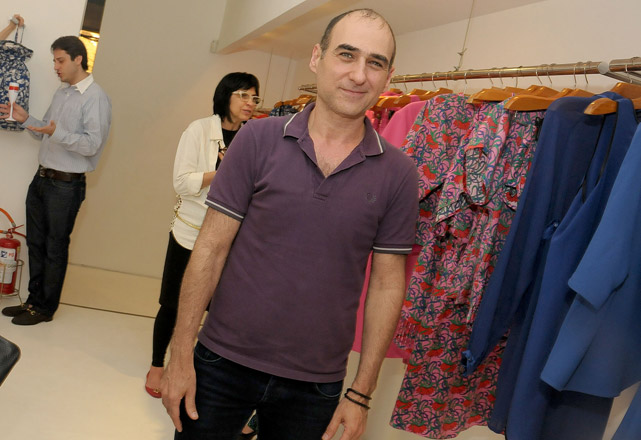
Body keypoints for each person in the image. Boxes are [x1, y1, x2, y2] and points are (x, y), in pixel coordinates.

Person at [161, 8, 418, 440]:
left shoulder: (399, 173)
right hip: (221, 362)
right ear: (317, 57)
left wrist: (361, 393)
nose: (359, 74)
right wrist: (180, 353)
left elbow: (387, 285)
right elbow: (211, 247)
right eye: (347, 54)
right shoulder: (257, 140)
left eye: (375, 62)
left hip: (316, 385)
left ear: (388, 76)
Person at [145, 72, 261, 398]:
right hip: (190, 230)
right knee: (172, 303)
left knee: (216, 309)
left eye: (254, 98)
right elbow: (182, 182)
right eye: (243, 95)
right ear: (226, 96)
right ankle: (157, 364)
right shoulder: (198, 130)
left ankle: (194, 367)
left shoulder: (253, 137)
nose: (250, 103)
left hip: (228, 237)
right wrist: (220, 172)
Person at [0, 36, 112, 325]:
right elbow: (44, 131)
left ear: (78, 59)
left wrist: (55, 133)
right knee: (36, 244)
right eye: (54, 61)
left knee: (54, 248)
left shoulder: (96, 97)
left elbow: (92, 145)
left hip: (66, 185)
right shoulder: (62, 93)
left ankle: (45, 309)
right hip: (41, 179)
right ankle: (33, 302)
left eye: (60, 60)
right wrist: (25, 119)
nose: (55, 66)